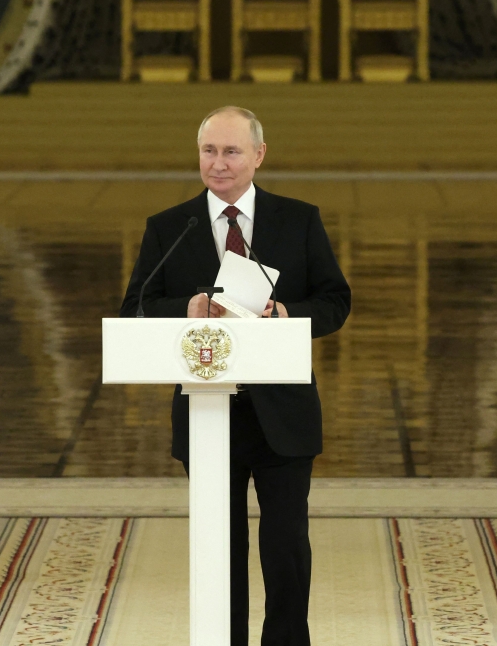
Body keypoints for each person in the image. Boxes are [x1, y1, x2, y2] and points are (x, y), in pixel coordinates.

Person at [120, 106, 350, 645]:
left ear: (258, 156)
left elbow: (335, 301)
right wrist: (188, 308)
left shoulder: (299, 219)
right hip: (206, 412)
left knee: (286, 547)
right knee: (218, 548)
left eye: (231, 152)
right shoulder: (168, 228)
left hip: (284, 413)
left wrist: (285, 314)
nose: (218, 164)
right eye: (208, 151)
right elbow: (136, 308)